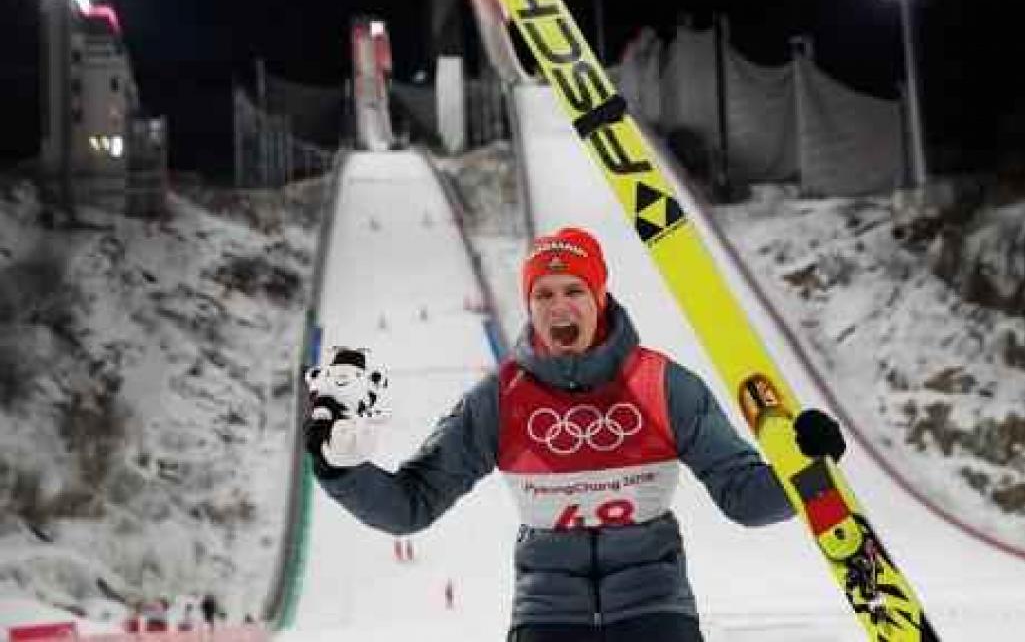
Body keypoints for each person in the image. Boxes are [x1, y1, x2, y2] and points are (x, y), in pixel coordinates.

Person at [306, 227, 846, 642]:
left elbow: (746, 499)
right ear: (529, 305)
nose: (559, 306)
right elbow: (410, 506)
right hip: (548, 616)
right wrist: (340, 467)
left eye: (573, 290)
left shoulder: (662, 386)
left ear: (600, 296)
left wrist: (809, 466)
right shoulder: (501, 400)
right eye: (543, 294)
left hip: (655, 611)